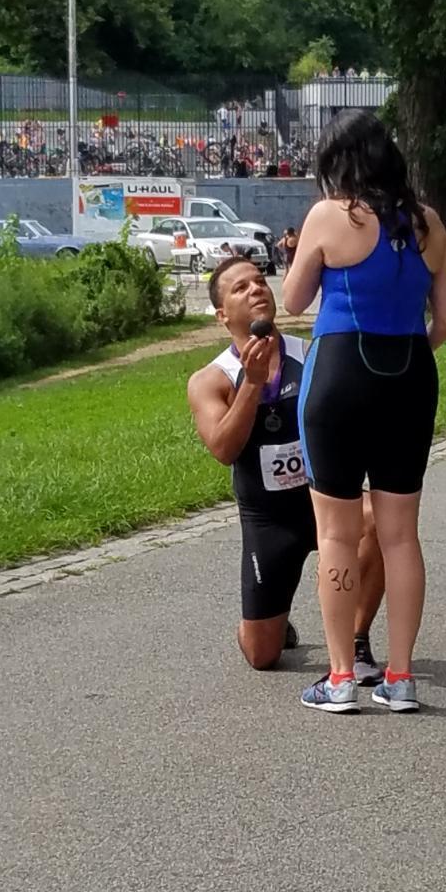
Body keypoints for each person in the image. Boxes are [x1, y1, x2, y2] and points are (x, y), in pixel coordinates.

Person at [282, 110, 446, 714]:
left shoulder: (330, 215)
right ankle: (400, 677)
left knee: (335, 532)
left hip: (340, 373)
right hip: (410, 376)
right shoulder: (429, 224)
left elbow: (294, 300)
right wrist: (406, 356)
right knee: (400, 535)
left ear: (338, 163)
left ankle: (339, 679)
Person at [187, 256, 387, 680]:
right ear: (222, 315)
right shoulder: (211, 380)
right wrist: (252, 382)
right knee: (264, 656)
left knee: (380, 519)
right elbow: (223, 449)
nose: (256, 289)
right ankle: (268, 623)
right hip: (269, 520)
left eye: (260, 281)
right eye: (241, 288)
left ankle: (356, 640)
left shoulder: (311, 354)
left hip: (324, 501)